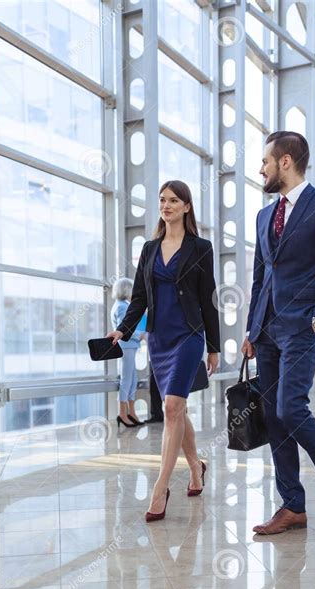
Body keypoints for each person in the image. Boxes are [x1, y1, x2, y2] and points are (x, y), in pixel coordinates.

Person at [241, 131, 315, 535]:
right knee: (273, 416)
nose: (261, 169)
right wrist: (253, 328)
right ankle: (292, 505)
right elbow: (260, 278)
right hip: (268, 328)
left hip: (303, 327)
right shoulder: (262, 216)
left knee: (291, 408)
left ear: (285, 161)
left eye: (265, 162)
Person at [106, 180, 220, 522]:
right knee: (178, 411)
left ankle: (161, 486)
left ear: (187, 207)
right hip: (159, 339)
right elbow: (139, 296)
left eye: (173, 200)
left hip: (188, 335)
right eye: (162, 200)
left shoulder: (202, 248)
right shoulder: (149, 249)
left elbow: (208, 299)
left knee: (171, 406)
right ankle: (197, 468)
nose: (166, 205)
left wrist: (213, 346)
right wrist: (124, 328)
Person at [110, 278, 144, 428]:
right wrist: (140, 335)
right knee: (126, 380)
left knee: (132, 380)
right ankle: (122, 413)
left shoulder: (120, 305)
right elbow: (124, 330)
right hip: (127, 347)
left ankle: (131, 412)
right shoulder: (122, 307)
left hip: (129, 347)